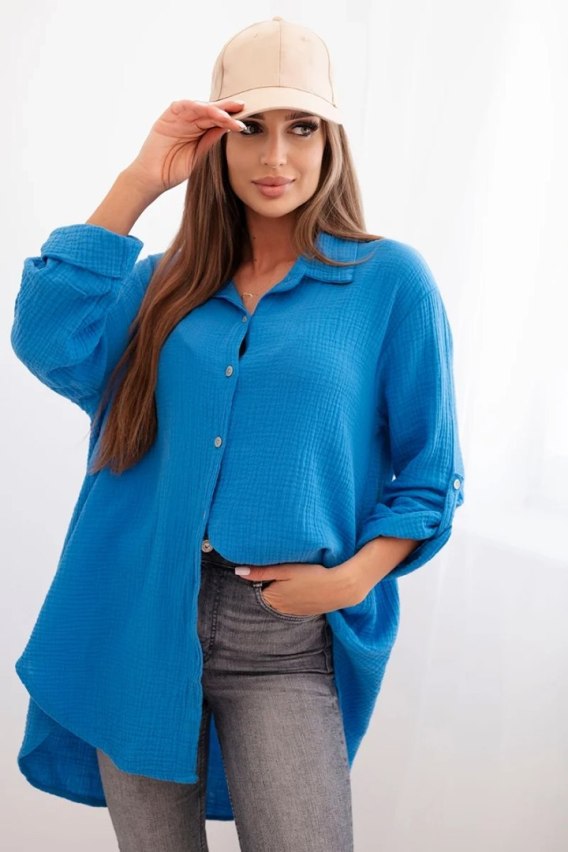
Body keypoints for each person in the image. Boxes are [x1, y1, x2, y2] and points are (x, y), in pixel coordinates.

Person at [10, 16, 465, 852]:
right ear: (217, 140)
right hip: (138, 617)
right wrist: (141, 179)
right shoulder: (161, 286)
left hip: (284, 637)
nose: (276, 156)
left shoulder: (390, 283)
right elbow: (46, 335)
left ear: (333, 141)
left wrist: (349, 581)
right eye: (250, 128)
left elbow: (429, 473)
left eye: (303, 128)